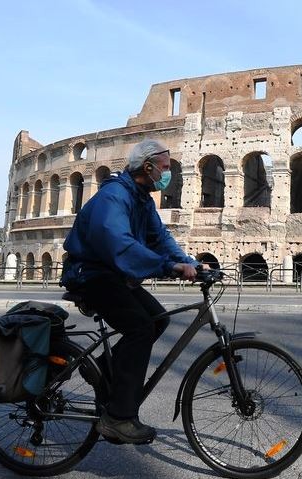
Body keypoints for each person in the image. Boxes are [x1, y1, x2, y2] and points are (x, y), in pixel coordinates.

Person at [60, 139, 200, 444]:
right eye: (165, 168)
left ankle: (101, 368)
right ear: (147, 167)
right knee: (140, 328)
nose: (168, 174)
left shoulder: (142, 199)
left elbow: (160, 238)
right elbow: (119, 244)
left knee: (158, 319)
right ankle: (119, 418)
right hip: (91, 275)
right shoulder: (114, 196)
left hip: (113, 275)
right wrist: (168, 267)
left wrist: (190, 264)